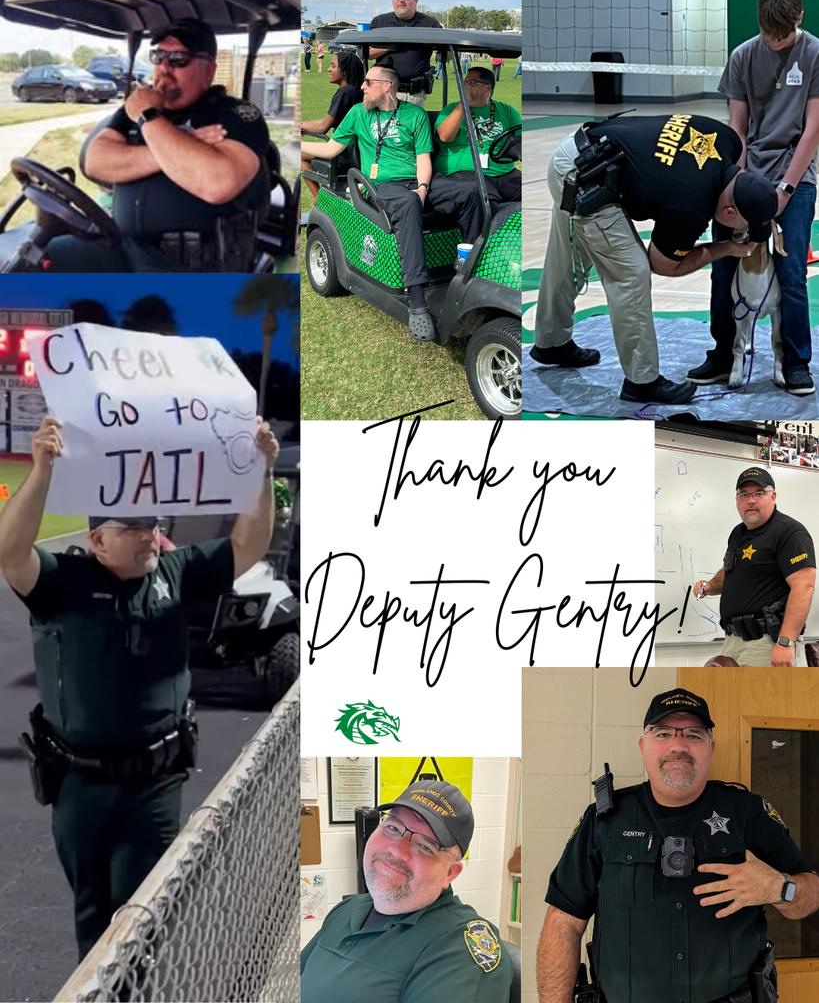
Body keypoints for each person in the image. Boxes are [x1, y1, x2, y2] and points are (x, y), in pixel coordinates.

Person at [0, 413, 279, 960]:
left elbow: (247, 546)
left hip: (155, 782)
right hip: (81, 783)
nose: (148, 534)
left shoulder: (174, 572)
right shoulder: (62, 583)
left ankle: (134, 988)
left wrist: (262, 470)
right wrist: (42, 471)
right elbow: (11, 553)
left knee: (143, 917)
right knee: (93, 915)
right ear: (97, 539)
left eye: (150, 524)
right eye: (131, 527)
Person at [537, 689, 819, 1003]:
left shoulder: (748, 813)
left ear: (710, 747)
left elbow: (812, 893)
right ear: (643, 746)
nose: (679, 745)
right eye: (663, 733)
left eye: (694, 735)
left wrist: (780, 888)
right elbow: (564, 920)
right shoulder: (604, 820)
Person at [531, 113, 780, 405]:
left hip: (576, 151)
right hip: (586, 179)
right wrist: (725, 248)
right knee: (632, 273)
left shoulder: (728, 140)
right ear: (729, 213)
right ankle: (642, 382)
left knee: (569, 255)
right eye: (744, 226)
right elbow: (663, 264)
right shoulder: (691, 205)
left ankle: (551, 342)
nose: (743, 233)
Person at [43, 18, 270, 273]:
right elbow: (95, 161)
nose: (164, 67)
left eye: (178, 59)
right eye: (158, 56)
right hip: (123, 247)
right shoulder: (141, 105)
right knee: (42, 259)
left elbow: (217, 184)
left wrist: (149, 119)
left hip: (189, 267)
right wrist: (179, 148)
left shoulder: (236, 115)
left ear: (209, 71)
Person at [689, 0, 819, 396]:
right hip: (747, 176)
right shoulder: (743, 56)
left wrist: (785, 189)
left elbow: (813, 130)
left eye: (782, 33)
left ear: (799, 18)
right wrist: (737, 185)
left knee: (792, 271)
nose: (774, 40)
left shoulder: (814, 54)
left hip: (796, 175)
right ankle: (722, 354)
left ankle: (795, 361)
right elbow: (737, 130)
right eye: (768, 32)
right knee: (723, 265)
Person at [301, 62, 483, 342]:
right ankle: (418, 299)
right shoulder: (358, 113)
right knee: (408, 204)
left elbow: (423, 158)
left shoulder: (415, 115)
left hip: (416, 180)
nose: (362, 87)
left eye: (368, 82)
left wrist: (423, 187)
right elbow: (330, 149)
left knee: (469, 191)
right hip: (381, 185)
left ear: (386, 86)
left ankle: (468, 266)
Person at [300, 780, 514, 1002]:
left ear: (450, 873)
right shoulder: (345, 910)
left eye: (425, 846)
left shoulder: (458, 949)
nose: (397, 850)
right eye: (393, 828)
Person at [694, 466, 815, 667]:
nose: (751, 500)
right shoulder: (738, 533)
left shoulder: (789, 532)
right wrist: (711, 586)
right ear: (737, 500)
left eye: (759, 493)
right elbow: (731, 570)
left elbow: (804, 587)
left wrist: (785, 643)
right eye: (744, 494)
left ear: (773, 496)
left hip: (768, 644)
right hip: (733, 640)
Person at [433, 66, 521, 213]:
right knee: (487, 202)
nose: (466, 85)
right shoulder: (452, 109)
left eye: (472, 82)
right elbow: (445, 137)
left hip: (504, 171)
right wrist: (464, 103)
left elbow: (520, 140)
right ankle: (493, 229)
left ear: (487, 88)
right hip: (465, 170)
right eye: (466, 81)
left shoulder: (507, 111)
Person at [301, 52, 365, 201]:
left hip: (343, 152)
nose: (329, 69)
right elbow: (329, 120)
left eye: (333, 66)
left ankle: (319, 199)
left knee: (299, 155)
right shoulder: (359, 91)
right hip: (359, 152)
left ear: (345, 71)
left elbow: (323, 128)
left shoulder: (344, 93)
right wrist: (302, 125)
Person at [369, 0, 443, 107]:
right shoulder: (379, 22)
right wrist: (391, 46)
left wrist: (445, 48)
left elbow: (446, 54)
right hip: (382, 90)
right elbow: (367, 53)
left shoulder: (429, 24)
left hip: (413, 94)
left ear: (416, 0)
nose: (401, 0)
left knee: (410, 121)